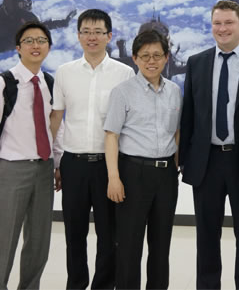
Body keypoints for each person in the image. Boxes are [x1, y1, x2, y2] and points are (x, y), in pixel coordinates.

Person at [179, 0, 239, 289]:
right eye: (217, 23)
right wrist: (184, 161)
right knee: (206, 235)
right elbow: (189, 115)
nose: (223, 29)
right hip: (206, 162)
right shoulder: (197, 62)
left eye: (229, 23)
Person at [49, 9, 134, 290]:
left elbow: (129, 124)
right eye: (86, 32)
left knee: (109, 235)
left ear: (109, 36)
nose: (92, 37)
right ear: (78, 36)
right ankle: (76, 284)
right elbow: (56, 119)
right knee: (74, 233)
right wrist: (56, 161)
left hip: (109, 166)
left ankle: (103, 286)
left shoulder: (124, 73)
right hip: (73, 164)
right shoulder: (65, 72)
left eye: (98, 32)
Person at [0, 21, 60, 289]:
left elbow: (55, 130)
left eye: (41, 40)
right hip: (11, 171)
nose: (36, 45)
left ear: (49, 47)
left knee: (39, 242)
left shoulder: (50, 83)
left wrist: (58, 165)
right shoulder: (1, 84)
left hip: (44, 169)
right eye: (29, 41)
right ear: (18, 48)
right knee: (4, 241)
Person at [103, 30, 182, 289]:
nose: (151, 61)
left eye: (157, 55)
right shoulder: (122, 92)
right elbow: (111, 136)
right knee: (129, 246)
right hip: (132, 173)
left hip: (166, 175)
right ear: (135, 58)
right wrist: (114, 178)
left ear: (166, 57)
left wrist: (175, 166)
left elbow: (176, 132)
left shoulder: (174, 91)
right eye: (145, 56)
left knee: (161, 246)